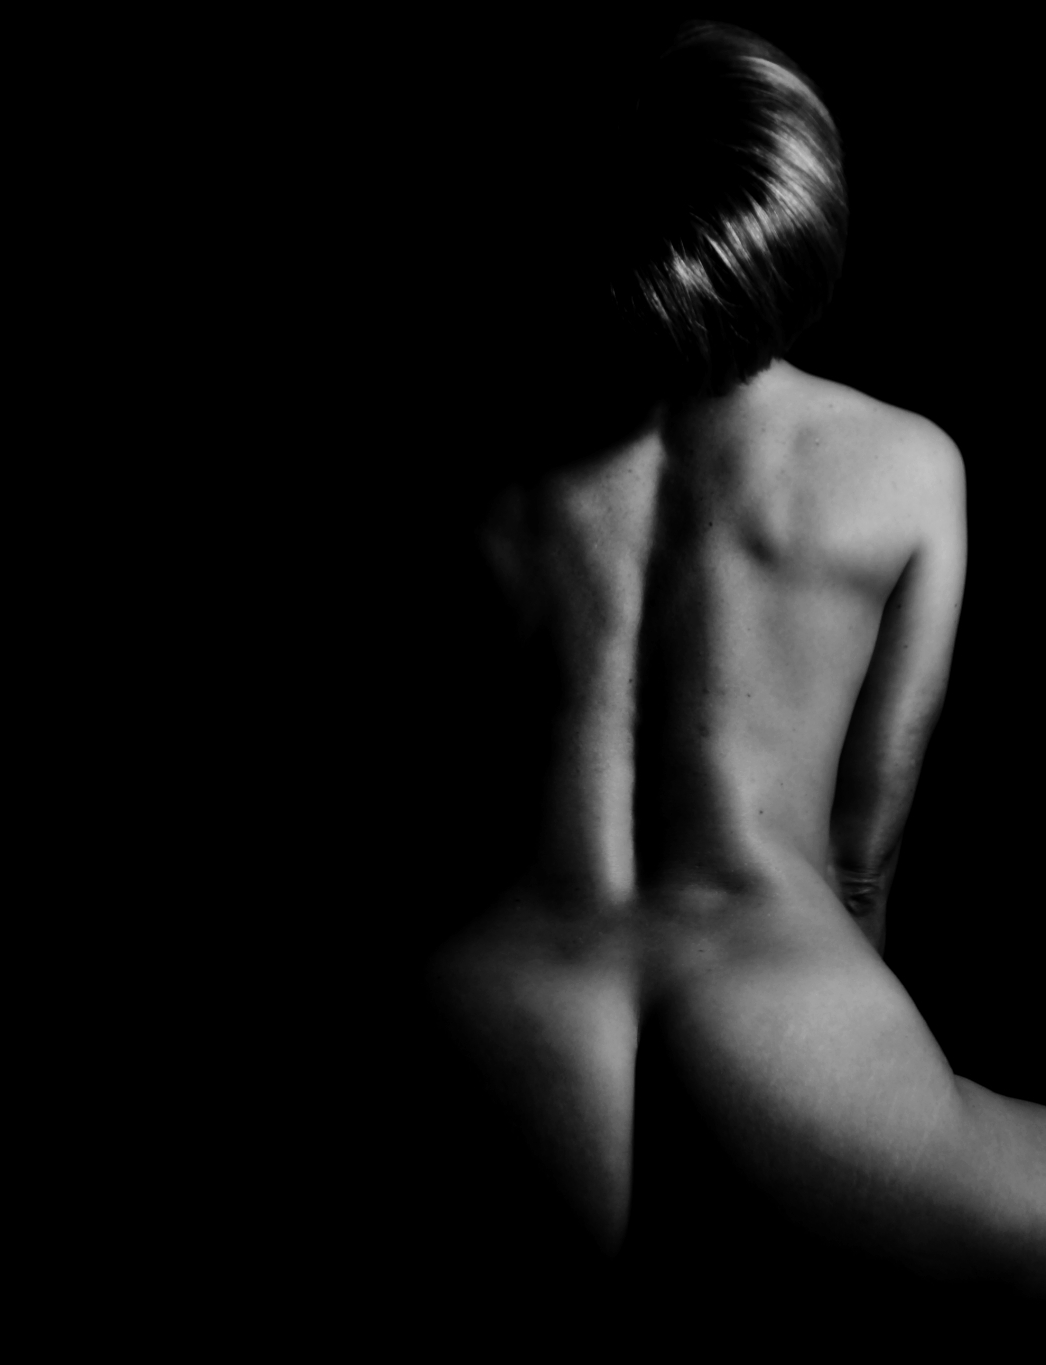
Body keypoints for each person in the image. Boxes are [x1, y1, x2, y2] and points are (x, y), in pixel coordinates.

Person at [428, 21, 1045, 1297]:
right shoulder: (902, 468)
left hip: (488, 1024)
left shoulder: (461, 463)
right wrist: (848, 1076)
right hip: (787, 1023)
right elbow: (861, 861)